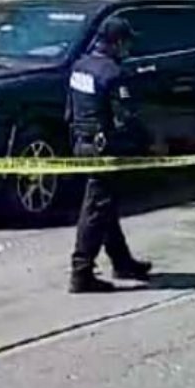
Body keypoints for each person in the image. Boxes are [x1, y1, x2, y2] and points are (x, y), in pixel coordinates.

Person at [65, 16, 154, 293]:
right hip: (104, 149)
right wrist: (148, 142)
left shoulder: (80, 67)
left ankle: (123, 262)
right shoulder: (112, 73)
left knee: (105, 206)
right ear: (116, 42)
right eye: (126, 43)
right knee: (95, 209)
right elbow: (125, 118)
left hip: (82, 142)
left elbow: (69, 110)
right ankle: (81, 273)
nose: (128, 49)